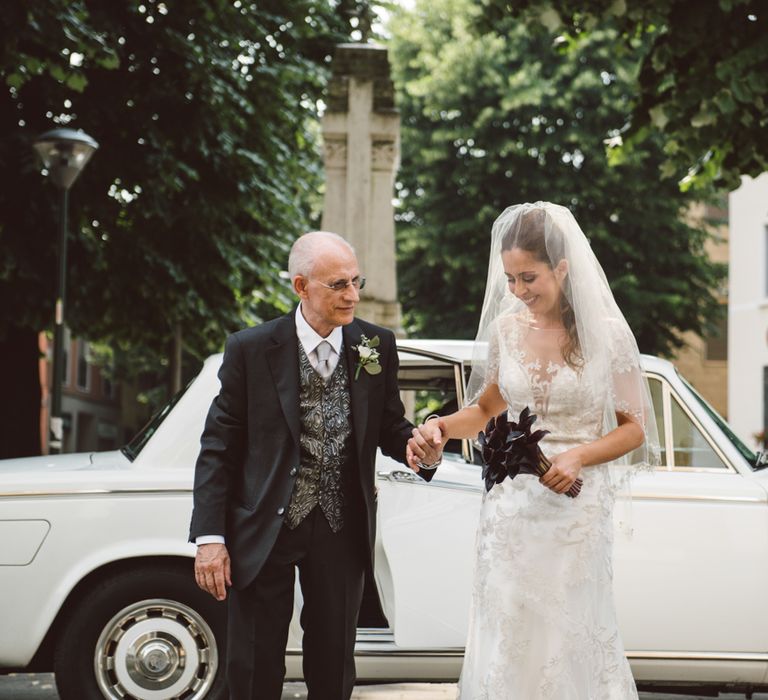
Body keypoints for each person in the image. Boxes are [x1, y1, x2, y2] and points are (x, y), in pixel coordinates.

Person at [409, 202, 660, 699]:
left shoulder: (607, 336)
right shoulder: (507, 331)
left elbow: (635, 430)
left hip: (576, 508)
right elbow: (484, 410)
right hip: (512, 514)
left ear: (562, 269)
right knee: (510, 631)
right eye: (511, 279)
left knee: (569, 631)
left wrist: (579, 455)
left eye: (530, 277)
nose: (519, 292)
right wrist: (439, 427)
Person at [189, 231, 440, 700]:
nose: (353, 295)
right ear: (301, 286)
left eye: (355, 281)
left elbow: (390, 425)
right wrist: (210, 539)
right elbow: (218, 447)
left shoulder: (375, 344)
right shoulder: (250, 348)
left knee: (333, 661)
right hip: (264, 525)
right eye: (338, 284)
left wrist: (415, 445)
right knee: (254, 664)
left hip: (340, 527)